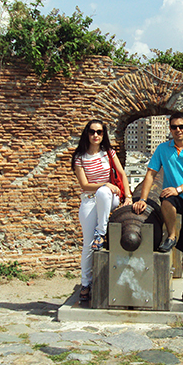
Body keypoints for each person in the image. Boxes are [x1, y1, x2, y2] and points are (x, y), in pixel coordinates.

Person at [132, 112, 183, 306]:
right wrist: (142, 199)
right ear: (170, 129)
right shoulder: (163, 149)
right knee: (166, 199)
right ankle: (172, 236)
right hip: (172, 196)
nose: (178, 130)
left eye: (181, 126)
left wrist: (178, 189)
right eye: (174, 127)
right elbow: (151, 174)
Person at [71, 119, 132, 302]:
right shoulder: (80, 157)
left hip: (109, 198)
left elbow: (122, 174)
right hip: (90, 200)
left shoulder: (108, 152)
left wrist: (128, 196)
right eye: (92, 132)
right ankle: (85, 284)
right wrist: (104, 183)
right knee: (87, 245)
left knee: (104, 192)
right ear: (87, 134)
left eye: (99, 132)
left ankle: (101, 232)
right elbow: (84, 185)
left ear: (103, 134)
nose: (95, 135)